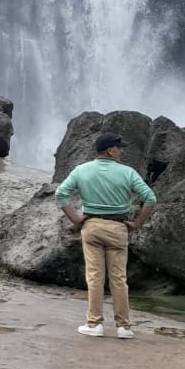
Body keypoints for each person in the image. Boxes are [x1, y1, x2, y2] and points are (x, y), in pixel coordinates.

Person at [55, 131, 156, 339]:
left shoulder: (81, 170)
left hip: (91, 226)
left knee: (95, 277)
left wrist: (75, 219)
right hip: (118, 227)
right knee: (118, 278)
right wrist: (137, 224)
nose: (121, 152)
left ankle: (94, 324)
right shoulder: (128, 172)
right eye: (119, 148)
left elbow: (61, 194)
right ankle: (123, 327)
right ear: (110, 150)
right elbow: (150, 198)